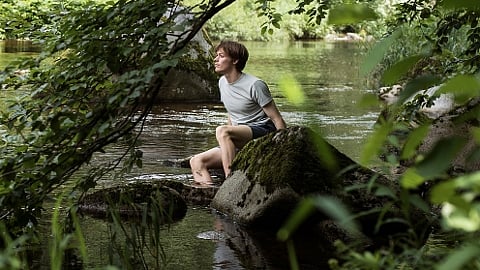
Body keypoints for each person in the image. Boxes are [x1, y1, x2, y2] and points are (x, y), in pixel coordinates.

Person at [190, 40, 286, 186]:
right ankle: (210, 193)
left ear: (235, 60)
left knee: (222, 130)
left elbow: (276, 119)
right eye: (216, 55)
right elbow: (232, 114)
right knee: (196, 161)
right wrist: (227, 144)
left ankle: (230, 181)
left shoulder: (255, 85)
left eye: (221, 56)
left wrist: (282, 150)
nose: (215, 59)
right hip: (239, 137)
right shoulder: (222, 82)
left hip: (262, 132)